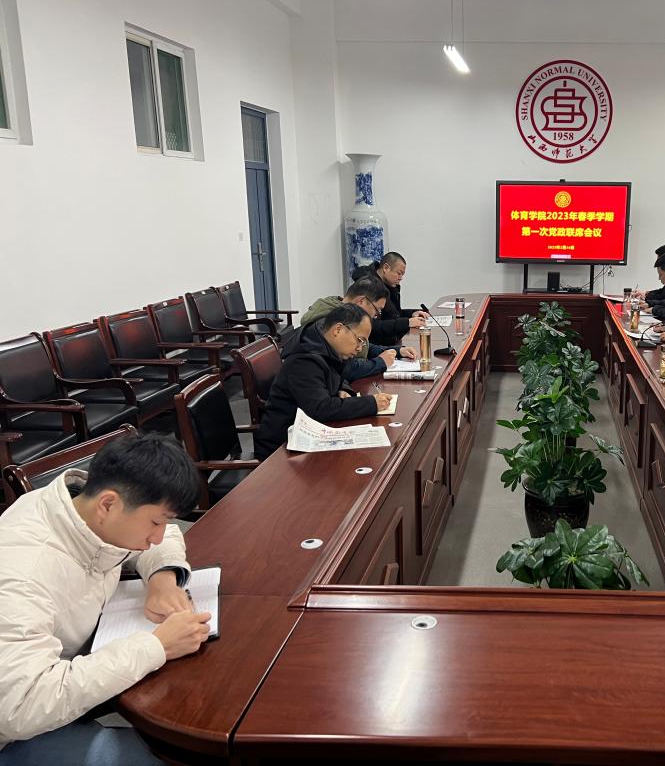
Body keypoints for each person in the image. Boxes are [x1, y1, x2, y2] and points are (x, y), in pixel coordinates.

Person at [0, 433, 211, 766]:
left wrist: (162, 579)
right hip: (15, 729)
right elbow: (21, 706)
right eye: (155, 522)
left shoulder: (80, 508)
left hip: (73, 661)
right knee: (167, 754)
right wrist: (156, 646)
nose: (158, 536)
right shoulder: (24, 575)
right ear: (108, 504)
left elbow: (167, 533)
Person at [254, 302, 393, 459]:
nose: (360, 348)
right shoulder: (304, 360)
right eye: (359, 340)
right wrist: (371, 403)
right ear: (338, 329)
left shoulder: (326, 345)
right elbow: (321, 408)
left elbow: (340, 375)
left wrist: (343, 389)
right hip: (282, 449)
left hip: (310, 435)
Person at [297, 278, 418, 381]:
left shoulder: (344, 313)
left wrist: (396, 351)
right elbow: (345, 368)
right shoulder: (329, 322)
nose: (375, 316)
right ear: (361, 301)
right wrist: (381, 362)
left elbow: (364, 346)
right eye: (377, 311)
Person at [351, 251, 429, 346]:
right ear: (386, 268)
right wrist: (407, 323)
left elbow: (393, 314)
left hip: (392, 341)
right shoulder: (368, 286)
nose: (401, 278)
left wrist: (412, 314)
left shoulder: (389, 285)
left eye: (402, 275)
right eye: (399, 273)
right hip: (377, 344)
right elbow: (372, 325)